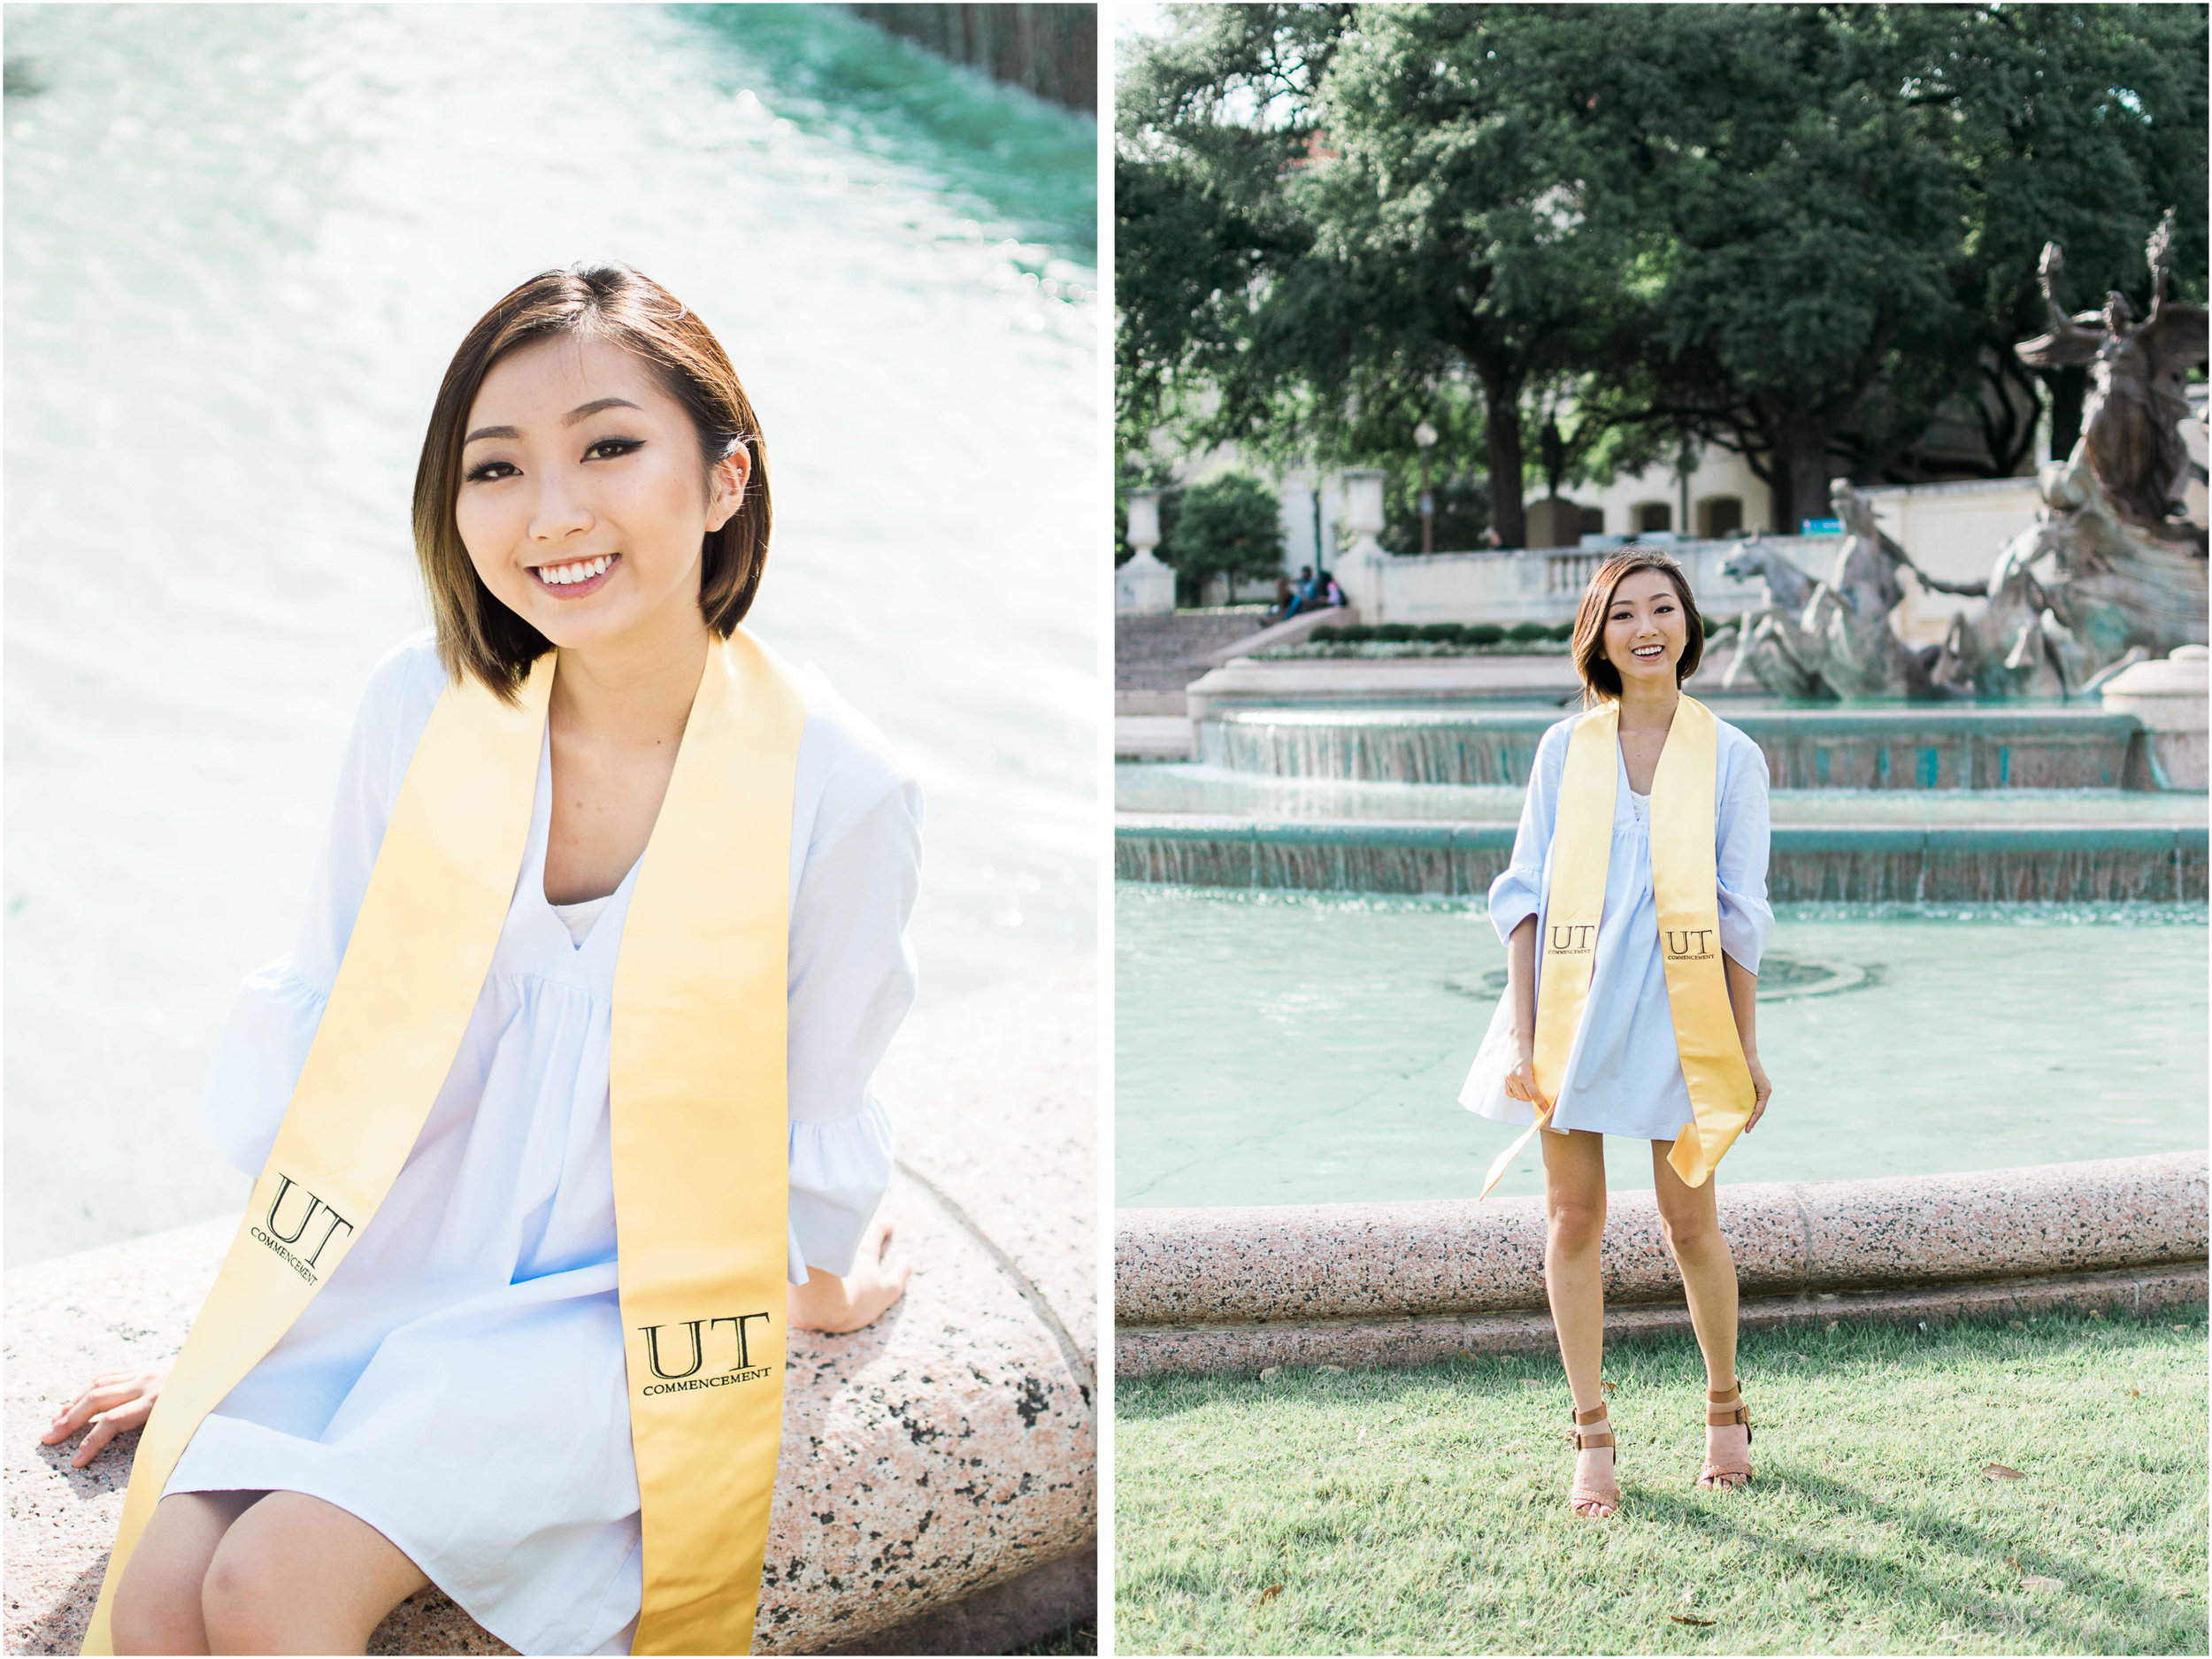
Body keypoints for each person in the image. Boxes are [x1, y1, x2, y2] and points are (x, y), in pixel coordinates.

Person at [42, 262, 920, 1654]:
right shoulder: (424, 703)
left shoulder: (838, 786)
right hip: (390, 1270)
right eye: (495, 466)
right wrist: (245, 1336)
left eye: (610, 447)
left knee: (270, 1582)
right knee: (154, 1596)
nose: (553, 510)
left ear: (726, 476)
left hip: (606, 1308)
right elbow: (332, 1039)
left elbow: (810, 1114)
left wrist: (821, 1286)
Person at [1459, 547, 1774, 1519]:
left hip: (1684, 1010)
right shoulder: (1568, 750)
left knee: (1690, 1224)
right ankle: (1590, 1434)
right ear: (1598, 633)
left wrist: (1748, 1049)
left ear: (1688, 626)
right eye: (1625, 612)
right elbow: (1522, 898)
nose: (1646, 627)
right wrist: (1521, 1035)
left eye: (1663, 609)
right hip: (1573, 1004)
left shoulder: (1730, 755)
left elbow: (1739, 912)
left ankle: (1724, 1410)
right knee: (1573, 1219)